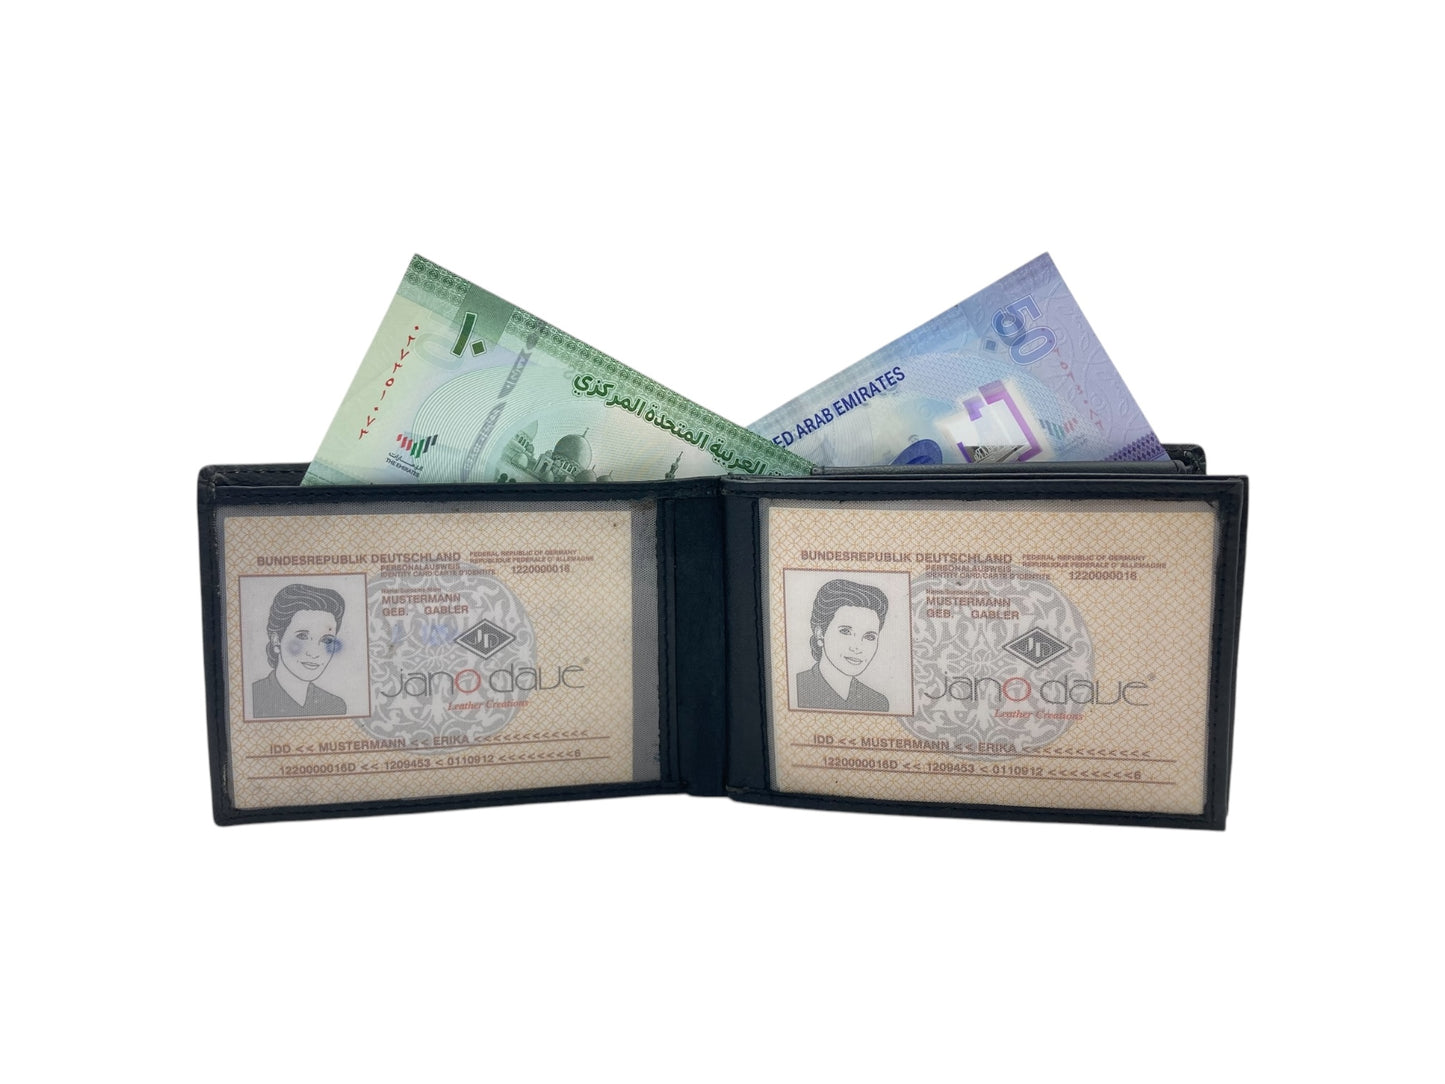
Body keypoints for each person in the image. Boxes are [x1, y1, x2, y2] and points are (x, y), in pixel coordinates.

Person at [250, 583, 349, 718]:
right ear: (276, 640)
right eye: (302, 636)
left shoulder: (334, 706)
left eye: (326, 640)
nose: (314, 653)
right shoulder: (252, 698)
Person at [795, 578, 890, 711]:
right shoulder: (795, 688)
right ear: (820, 633)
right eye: (846, 631)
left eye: (869, 637)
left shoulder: (877, 703)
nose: (857, 647)